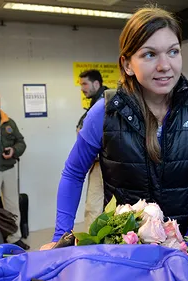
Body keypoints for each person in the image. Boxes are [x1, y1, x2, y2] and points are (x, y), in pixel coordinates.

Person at [40, 7, 188, 258]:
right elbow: (73, 173)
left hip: (180, 251)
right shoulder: (105, 111)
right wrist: (60, 237)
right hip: (121, 253)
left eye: (173, 51)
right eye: (149, 54)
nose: (164, 65)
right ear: (127, 64)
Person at [0, 91, 29, 250]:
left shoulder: (8, 122)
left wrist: (14, 150)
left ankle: (14, 239)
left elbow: (21, 142)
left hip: (8, 169)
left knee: (13, 205)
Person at [76, 70, 108, 228]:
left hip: (103, 164)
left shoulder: (104, 104)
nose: (82, 88)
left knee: (94, 209)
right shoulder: (98, 102)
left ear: (96, 84)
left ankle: (91, 249)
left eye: (84, 84)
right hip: (99, 163)